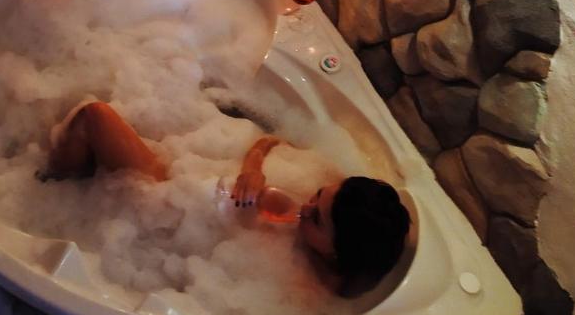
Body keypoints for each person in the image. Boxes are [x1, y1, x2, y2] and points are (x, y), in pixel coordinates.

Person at [42, 101, 411, 295]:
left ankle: (49, 186)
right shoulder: (336, 188)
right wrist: (254, 168)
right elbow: (272, 141)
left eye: (317, 219)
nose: (308, 205)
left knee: (95, 117)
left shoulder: (305, 291)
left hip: (160, 219)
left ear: (336, 253)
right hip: (182, 185)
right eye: (318, 196)